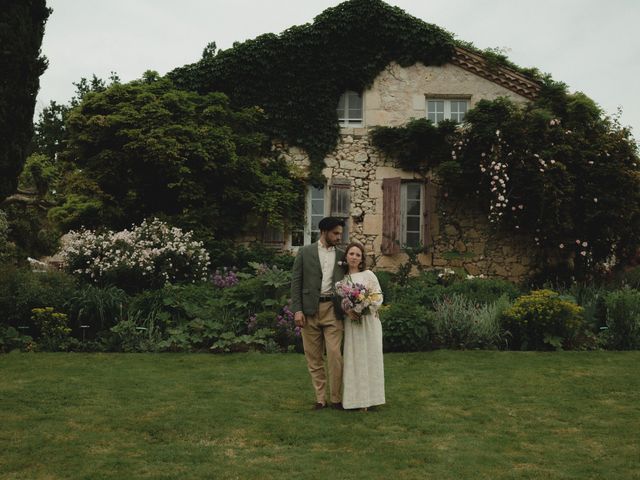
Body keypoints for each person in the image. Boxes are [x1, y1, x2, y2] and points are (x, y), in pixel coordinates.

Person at [290, 217, 346, 410]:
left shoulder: (342, 255)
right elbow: (296, 282)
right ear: (324, 232)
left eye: (340, 233)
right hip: (309, 311)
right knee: (313, 357)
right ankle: (321, 399)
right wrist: (297, 309)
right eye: (336, 233)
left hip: (333, 309)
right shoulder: (305, 252)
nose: (339, 237)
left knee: (334, 356)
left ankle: (337, 398)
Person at [340, 242, 385, 411]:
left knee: (371, 357)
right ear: (346, 256)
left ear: (361, 259)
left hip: (369, 322)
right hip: (353, 324)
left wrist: (366, 306)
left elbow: (377, 296)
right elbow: (341, 301)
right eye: (351, 253)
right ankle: (355, 400)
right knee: (355, 358)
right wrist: (349, 311)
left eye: (358, 255)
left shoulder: (368, 275)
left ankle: (371, 399)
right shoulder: (343, 280)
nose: (354, 257)